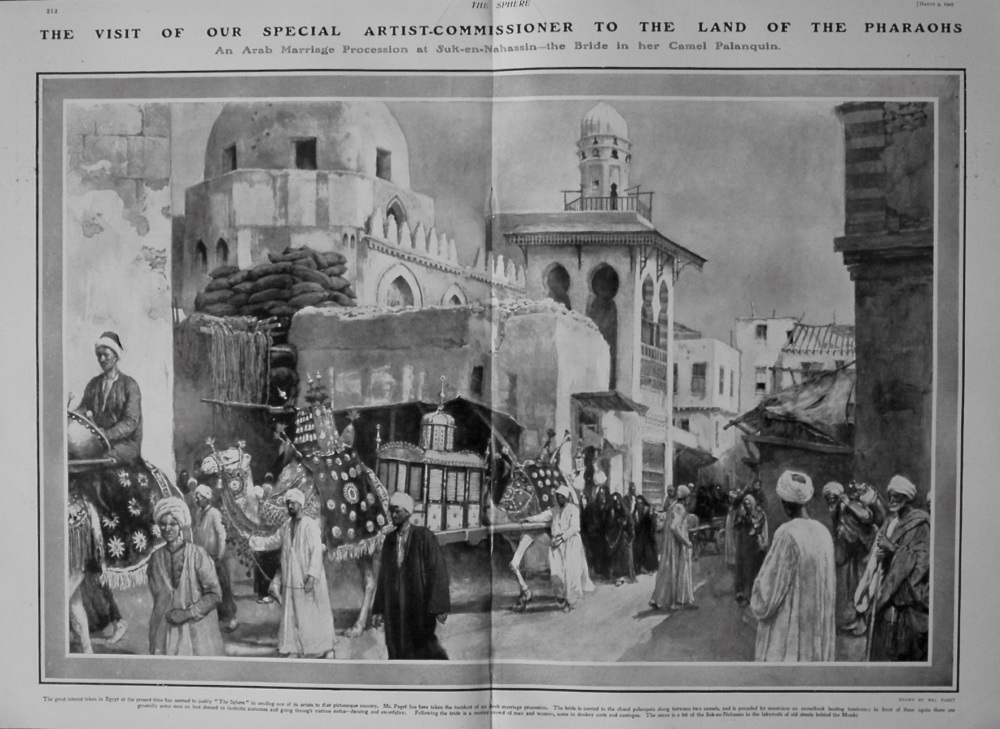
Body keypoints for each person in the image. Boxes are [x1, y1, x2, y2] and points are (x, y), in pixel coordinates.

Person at [750, 470, 836, 662]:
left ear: (786, 504)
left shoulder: (788, 534)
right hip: (816, 626)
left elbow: (770, 588)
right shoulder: (824, 533)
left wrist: (757, 600)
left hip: (791, 625)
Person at [249, 488, 336, 659]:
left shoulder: (310, 525)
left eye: (292, 503)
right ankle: (295, 648)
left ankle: (325, 648)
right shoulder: (286, 527)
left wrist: (312, 576)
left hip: (308, 578)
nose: (289, 506)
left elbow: (317, 551)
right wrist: (252, 541)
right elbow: (272, 542)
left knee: (314, 613)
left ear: (300, 504)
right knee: (294, 613)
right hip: (292, 578)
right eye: (288, 503)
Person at [855, 475, 930, 662]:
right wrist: (881, 555)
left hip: (904, 601)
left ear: (907, 498)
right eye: (890, 496)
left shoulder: (920, 524)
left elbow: (921, 563)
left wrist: (893, 550)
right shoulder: (889, 522)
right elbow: (879, 553)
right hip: (884, 592)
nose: (893, 500)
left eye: (897, 496)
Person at [373, 492, 451, 657]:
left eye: (397, 511)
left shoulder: (424, 537)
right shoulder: (389, 541)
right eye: (391, 511)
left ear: (408, 512)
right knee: (394, 643)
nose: (392, 515)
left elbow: (437, 571)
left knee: (420, 643)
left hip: (418, 602)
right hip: (394, 605)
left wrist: (440, 606)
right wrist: (379, 609)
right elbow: (383, 577)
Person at [146, 497, 224, 656]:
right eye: (163, 524)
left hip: (197, 632)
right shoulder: (155, 559)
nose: (167, 528)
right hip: (164, 632)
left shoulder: (198, 554)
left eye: (172, 524)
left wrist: (187, 614)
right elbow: (159, 597)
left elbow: (215, 595)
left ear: (180, 525)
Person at [75, 331, 142, 466]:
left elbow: (130, 422)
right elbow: (83, 408)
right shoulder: (93, 384)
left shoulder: (130, 385)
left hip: (125, 444)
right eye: (99, 355)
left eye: (106, 355)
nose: (102, 359)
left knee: (102, 459)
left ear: (116, 356)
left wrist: (105, 434)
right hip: (99, 441)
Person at [526, 484, 593, 612]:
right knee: (556, 572)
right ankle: (561, 597)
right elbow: (542, 516)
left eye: (562, 497)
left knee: (570, 573)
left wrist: (562, 537)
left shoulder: (573, 509)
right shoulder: (554, 510)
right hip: (557, 544)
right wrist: (528, 519)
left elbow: (575, 527)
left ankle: (570, 600)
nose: (560, 499)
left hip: (571, 543)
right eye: (558, 497)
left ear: (566, 497)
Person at [823, 481, 874, 635]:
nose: (830, 501)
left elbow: (867, 517)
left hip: (865, 548)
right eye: (828, 498)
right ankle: (858, 620)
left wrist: (848, 504)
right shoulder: (836, 510)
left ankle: (865, 622)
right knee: (853, 585)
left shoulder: (850, 504)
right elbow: (837, 529)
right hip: (852, 550)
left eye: (832, 497)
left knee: (864, 584)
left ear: (838, 496)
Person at [191, 484, 238, 632]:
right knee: (204, 590)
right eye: (196, 496)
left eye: (199, 497)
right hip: (201, 558)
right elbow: (196, 533)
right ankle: (212, 620)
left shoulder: (214, 513)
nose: (196, 499)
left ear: (206, 498)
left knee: (222, 587)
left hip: (214, 558)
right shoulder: (198, 513)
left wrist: (219, 555)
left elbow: (221, 535)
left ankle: (231, 617)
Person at [649, 484, 697, 611]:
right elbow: (674, 527)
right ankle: (679, 600)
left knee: (668, 569)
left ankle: (659, 598)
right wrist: (685, 541)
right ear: (686, 497)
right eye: (689, 497)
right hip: (676, 545)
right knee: (677, 569)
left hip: (670, 544)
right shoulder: (680, 508)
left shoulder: (672, 506)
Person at [734, 493, 769, 606]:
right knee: (746, 571)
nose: (747, 505)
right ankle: (746, 596)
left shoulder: (759, 513)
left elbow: (756, 527)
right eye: (745, 503)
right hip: (745, 545)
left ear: (753, 502)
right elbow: (736, 526)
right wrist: (741, 518)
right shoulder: (742, 513)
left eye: (749, 503)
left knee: (757, 570)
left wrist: (748, 519)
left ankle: (758, 596)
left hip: (756, 546)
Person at [605, 492, 636, 586]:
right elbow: (608, 524)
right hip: (615, 538)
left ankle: (623, 576)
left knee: (623, 557)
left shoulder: (625, 512)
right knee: (616, 558)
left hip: (623, 538)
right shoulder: (611, 511)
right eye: (615, 502)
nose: (617, 504)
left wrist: (627, 533)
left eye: (619, 502)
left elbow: (630, 525)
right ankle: (617, 576)